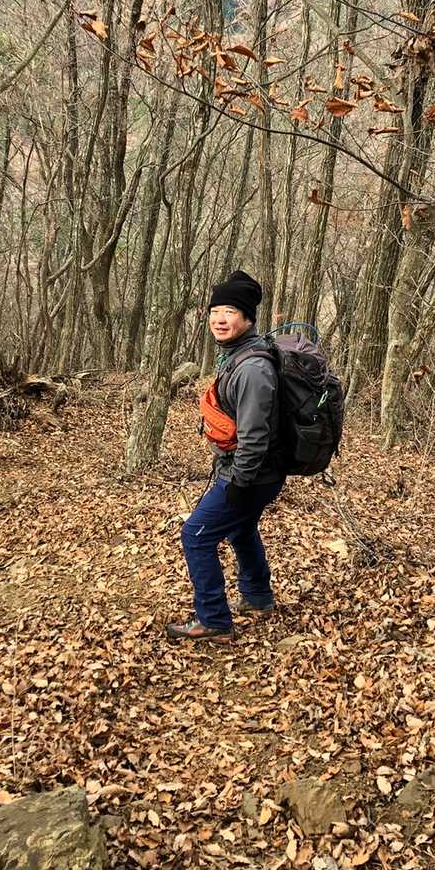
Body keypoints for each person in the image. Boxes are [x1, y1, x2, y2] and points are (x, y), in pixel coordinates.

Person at [167, 270, 285, 644]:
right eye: (215, 310)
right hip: (257, 472)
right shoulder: (237, 355)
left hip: (253, 474)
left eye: (230, 311)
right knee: (240, 528)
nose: (219, 319)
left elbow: (255, 436)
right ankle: (257, 597)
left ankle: (214, 620)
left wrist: (238, 483)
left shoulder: (252, 368)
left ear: (247, 318)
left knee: (196, 535)